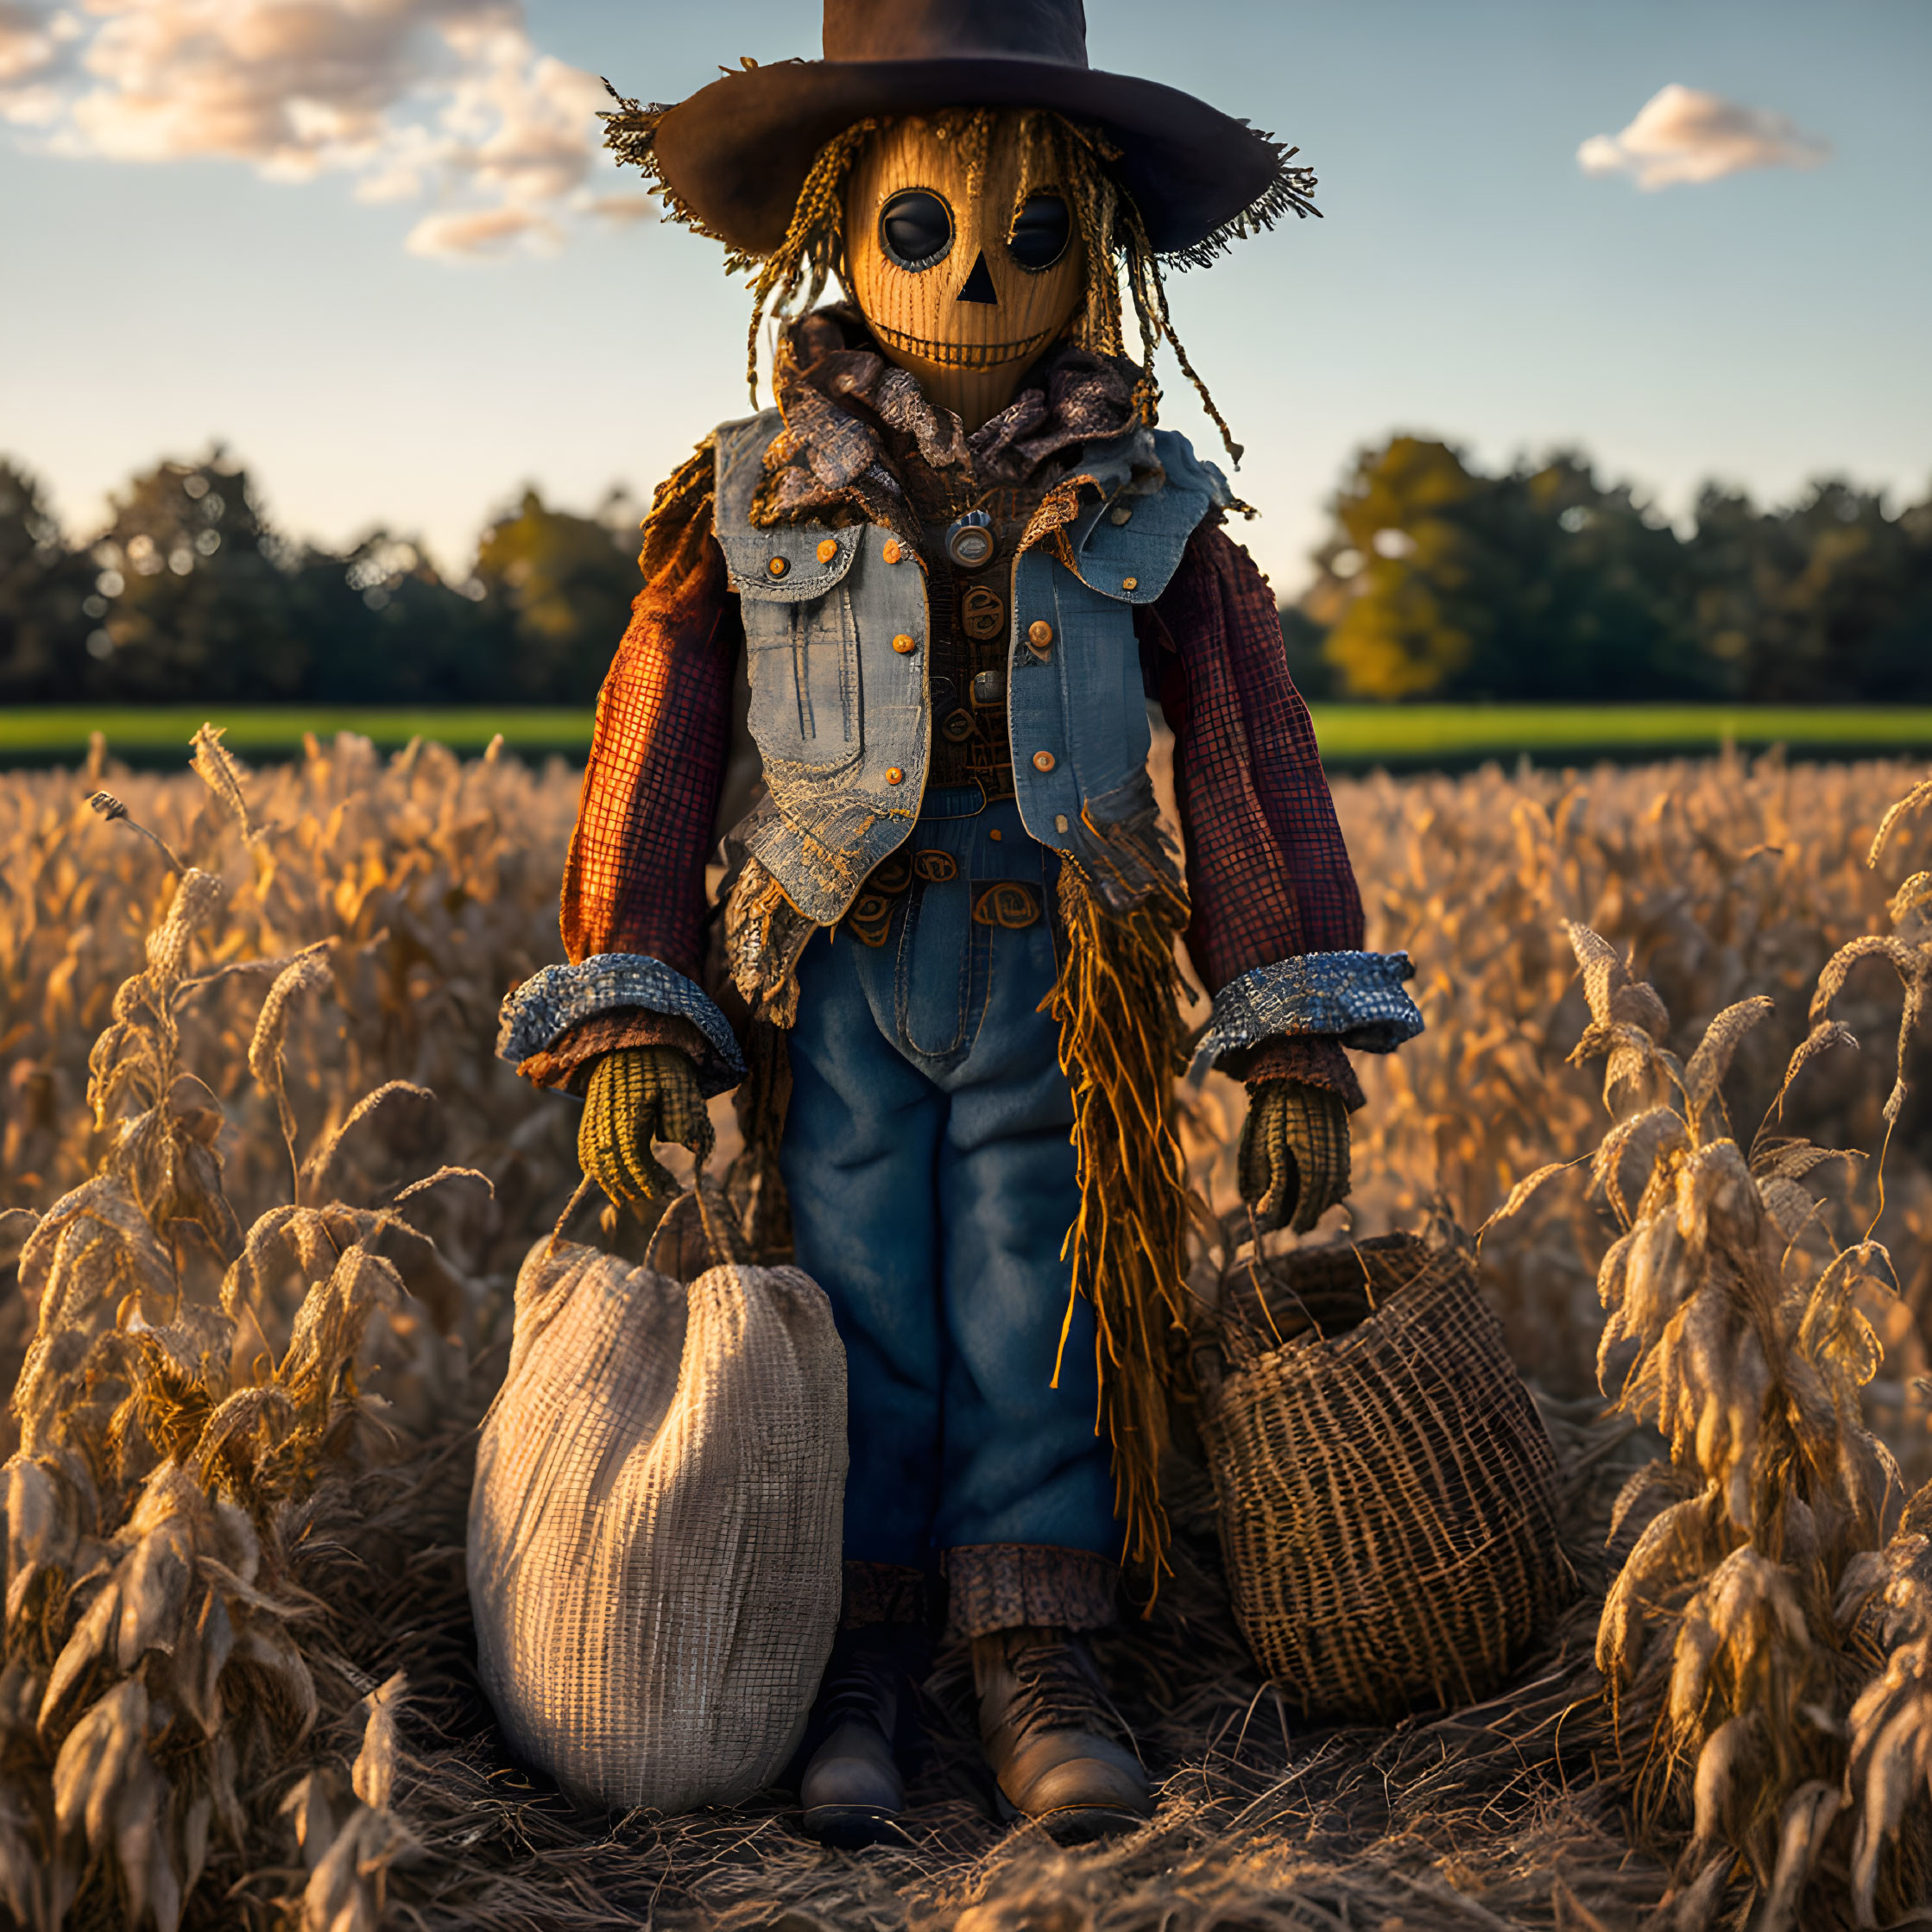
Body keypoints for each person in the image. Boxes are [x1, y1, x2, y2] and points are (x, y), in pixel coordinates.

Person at [498, 0, 1423, 1847]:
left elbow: (1247, 763)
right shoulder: (749, 491)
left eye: (1033, 235)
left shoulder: (1159, 503)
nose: (980, 272)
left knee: (1044, 1295)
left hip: (1061, 975)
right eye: (924, 230)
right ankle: (854, 1660)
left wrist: (1292, 1030)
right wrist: (632, 1008)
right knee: (850, 1303)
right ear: (841, 231)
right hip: (833, 967)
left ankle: (1032, 1654)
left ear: (1102, 252)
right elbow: (655, 749)